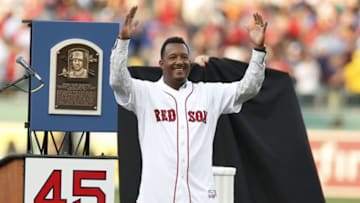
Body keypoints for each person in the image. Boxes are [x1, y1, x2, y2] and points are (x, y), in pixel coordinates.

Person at [110, 6, 267, 203]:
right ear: (161, 63)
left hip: (199, 198)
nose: (179, 62)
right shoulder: (146, 93)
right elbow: (117, 81)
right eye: (173, 57)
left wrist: (259, 51)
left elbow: (248, 88)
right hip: (156, 198)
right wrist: (123, 41)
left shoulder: (208, 94)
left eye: (184, 57)